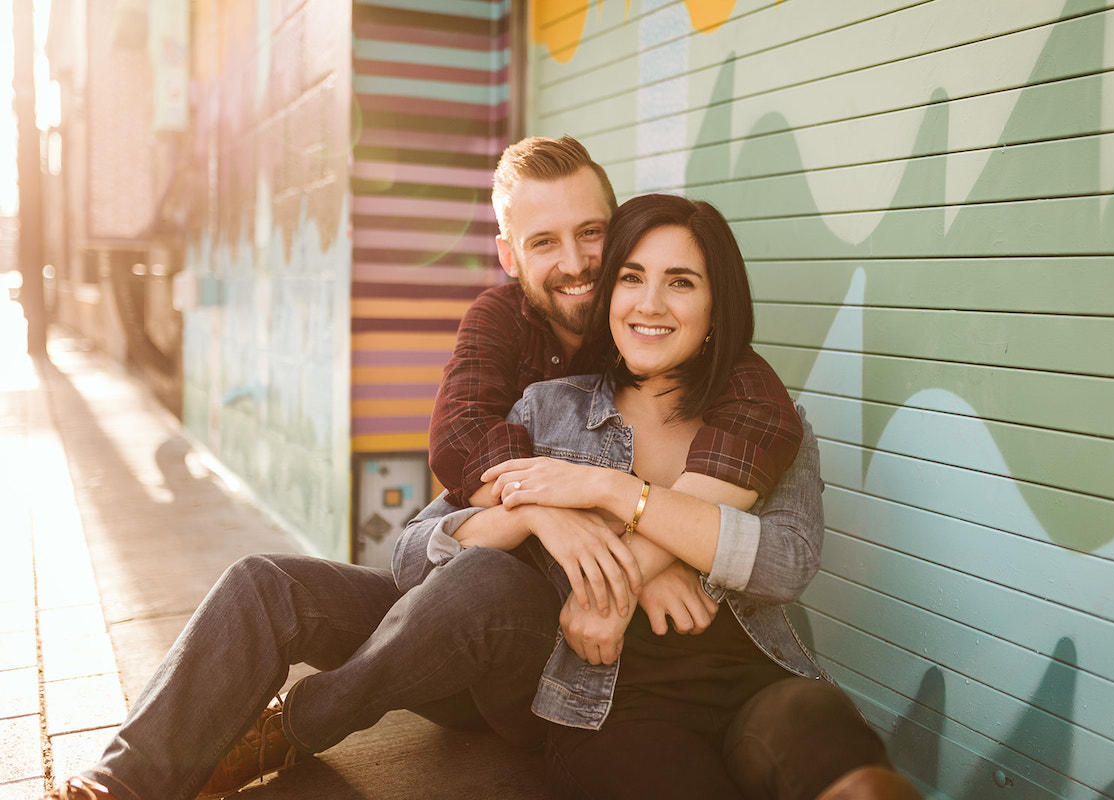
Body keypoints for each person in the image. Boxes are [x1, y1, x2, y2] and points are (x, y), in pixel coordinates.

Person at [39, 137, 811, 800]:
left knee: (481, 581)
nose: (577, 265)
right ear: (510, 256)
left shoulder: (701, 359)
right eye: (543, 243)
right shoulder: (503, 326)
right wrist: (555, 512)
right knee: (265, 584)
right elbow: (450, 463)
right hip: (452, 619)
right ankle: (119, 784)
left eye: (593, 235)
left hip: (542, 647)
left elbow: (760, 457)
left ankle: (297, 728)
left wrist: (646, 556)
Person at [395, 193, 923, 799]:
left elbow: (785, 564)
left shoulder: (771, 422)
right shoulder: (547, 411)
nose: (650, 303)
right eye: (631, 278)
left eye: (680, 282)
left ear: (716, 306)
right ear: (609, 298)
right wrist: (542, 518)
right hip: (612, 708)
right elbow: (413, 555)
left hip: (759, 683)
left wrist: (609, 489)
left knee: (862, 785)